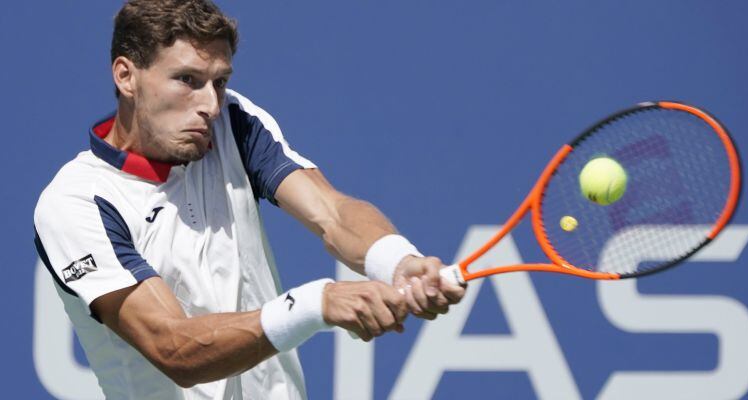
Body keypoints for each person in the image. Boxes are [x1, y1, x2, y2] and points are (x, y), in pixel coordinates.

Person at [33, 0, 465, 399]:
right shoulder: (76, 203)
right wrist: (315, 304)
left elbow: (330, 212)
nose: (210, 104)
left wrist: (397, 262)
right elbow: (173, 347)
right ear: (126, 76)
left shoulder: (231, 124)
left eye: (219, 82)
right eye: (187, 80)